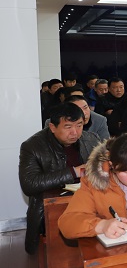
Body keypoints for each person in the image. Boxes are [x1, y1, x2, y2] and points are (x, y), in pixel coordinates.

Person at [18, 103, 99, 254]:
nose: (75, 132)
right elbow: (29, 184)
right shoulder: (32, 146)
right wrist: (73, 172)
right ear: (52, 127)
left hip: (88, 202)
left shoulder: (91, 139)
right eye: (68, 127)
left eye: (79, 125)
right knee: (59, 254)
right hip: (50, 209)